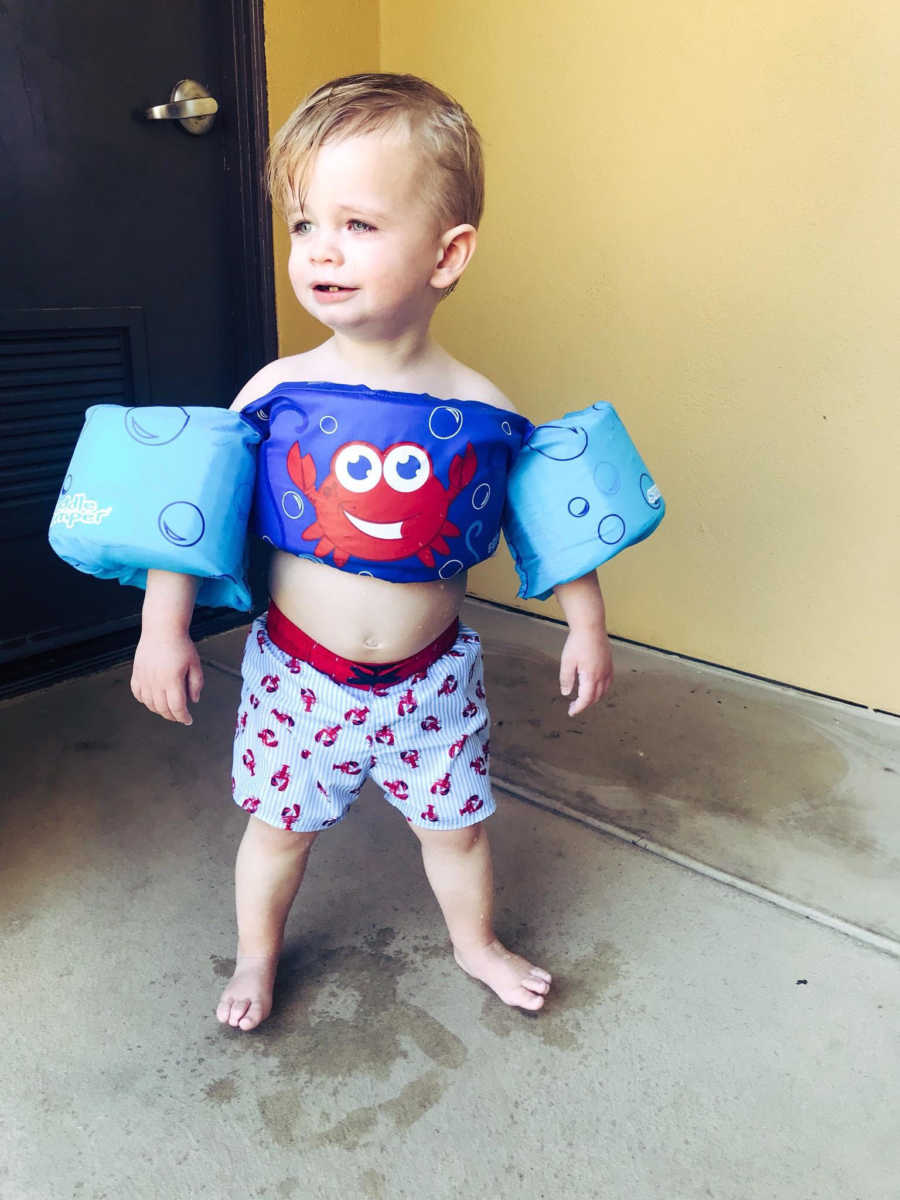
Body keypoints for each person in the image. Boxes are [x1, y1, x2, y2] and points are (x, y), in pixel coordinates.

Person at [130, 73, 614, 1031]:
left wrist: (587, 628)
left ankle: (476, 946)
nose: (320, 251)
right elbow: (189, 513)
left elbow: (551, 524)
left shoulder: (485, 410)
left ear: (448, 254)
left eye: (358, 224)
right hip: (296, 680)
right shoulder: (275, 390)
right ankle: (258, 961)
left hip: (433, 685)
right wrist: (162, 631)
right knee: (277, 835)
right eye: (305, 225)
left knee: (460, 834)